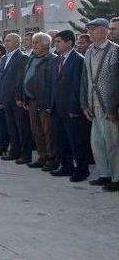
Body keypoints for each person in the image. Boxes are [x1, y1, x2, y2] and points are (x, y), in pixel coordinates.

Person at [80, 18, 119, 192]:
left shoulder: (114, 51)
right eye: (89, 29)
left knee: (113, 143)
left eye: (93, 29)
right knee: (97, 142)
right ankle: (104, 174)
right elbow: (84, 79)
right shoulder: (89, 51)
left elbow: (115, 82)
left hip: (108, 106)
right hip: (92, 104)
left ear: (105, 31)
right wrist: (84, 104)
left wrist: (112, 108)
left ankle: (117, 177)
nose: (90, 32)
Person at [50, 29, 93, 182]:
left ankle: (82, 170)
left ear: (69, 42)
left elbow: (78, 87)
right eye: (55, 41)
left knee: (76, 141)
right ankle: (66, 166)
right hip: (57, 108)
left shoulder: (78, 60)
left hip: (72, 109)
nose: (56, 44)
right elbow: (54, 85)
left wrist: (75, 108)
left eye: (58, 41)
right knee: (61, 141)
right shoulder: (57, 60)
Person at [22, 32, 58, 171]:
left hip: (45, 102)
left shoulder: (52, 60)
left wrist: (51, 103)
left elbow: (53, 84)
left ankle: (52, 158)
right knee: (36, 130)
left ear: (46, 44)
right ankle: (42, 156)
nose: (33, 45)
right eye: (33, 42)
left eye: (36, 42)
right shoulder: (31, 58)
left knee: (48, 131)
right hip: (31, 101)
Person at [0, 33, 32, 164]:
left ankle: (26, 154)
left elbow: (20, 79)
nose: (5, 43)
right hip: (6, 99)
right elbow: (2, 79)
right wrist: (1, 98)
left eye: (9, 41)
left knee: (22, 128)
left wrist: (19, 97)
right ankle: (14, 151)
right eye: (5, 40)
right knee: (11, 128)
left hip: (16, 100)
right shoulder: (5, 58)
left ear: (17, 43)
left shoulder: (22, 58)